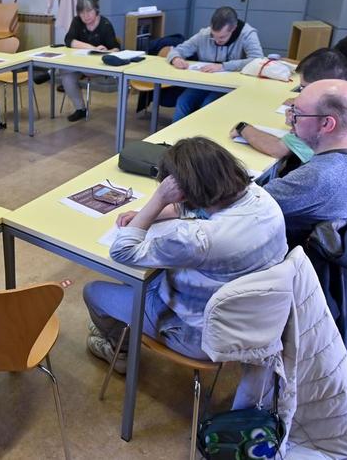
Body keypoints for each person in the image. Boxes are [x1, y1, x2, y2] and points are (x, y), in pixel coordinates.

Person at [84, 137, 286, 372]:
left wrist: (157, 200)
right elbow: (202, 204)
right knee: (144, 277)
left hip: (198, 335)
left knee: (94, 291)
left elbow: (122, 251)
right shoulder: (262, 198)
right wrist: (155, 213)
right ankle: (119, 328)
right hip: (249, 320)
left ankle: (118, 352)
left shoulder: (197, 239)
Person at [264, 79, 347, 246]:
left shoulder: (316, 176)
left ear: (326, 123)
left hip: (286, 252)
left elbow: (245, 206)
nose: (289, 119)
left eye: (297, 113)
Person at [229, 48, 347, 164]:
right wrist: (299, 119)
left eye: (304, 88)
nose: (301, 94)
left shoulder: (325, 116)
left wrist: (243, 128)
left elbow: (277, 149)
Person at [167, 7, 264, 121]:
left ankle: (199, 136)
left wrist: (224, 66)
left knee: (208, 105)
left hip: (231, 85)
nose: (217, 40)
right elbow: (177, 50)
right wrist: (176, 59)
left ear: (233, 28)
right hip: (205, 82)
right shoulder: (204, 34)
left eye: (222, 37)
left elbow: (258, 60)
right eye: (214, 36)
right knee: (183, 101)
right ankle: (175, 137)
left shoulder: (247, 34)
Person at [61, 0, 120, 122]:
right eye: (82, 13)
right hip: (79, 65)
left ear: (96, 10)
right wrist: (91, 48)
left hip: (97, 67)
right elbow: (68, 40)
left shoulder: (105, 24)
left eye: (89, 11)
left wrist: (107, 51)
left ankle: (50, 73)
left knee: (64, 70)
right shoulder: (77, 22)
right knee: (66, 76)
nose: (85, 16)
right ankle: (80, 109)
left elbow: (116, 48)